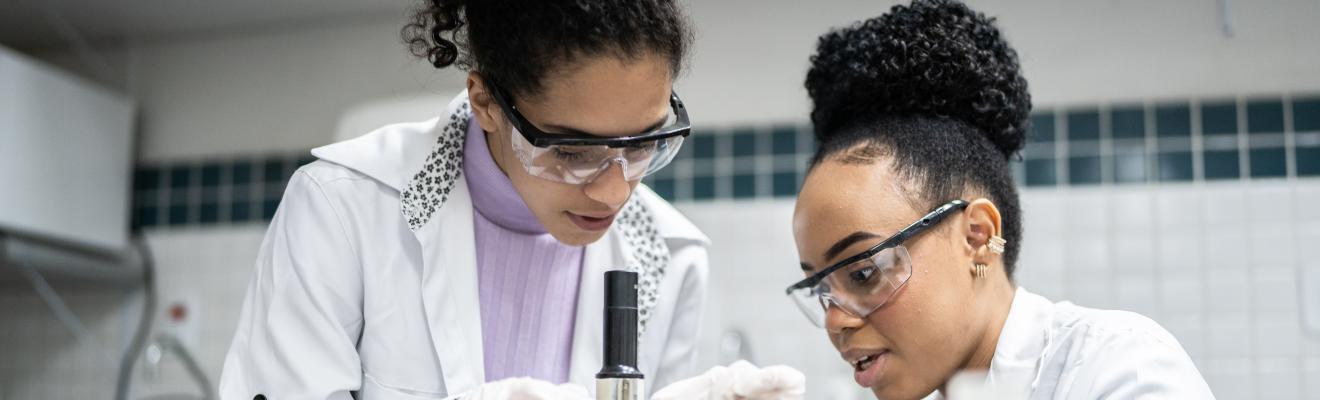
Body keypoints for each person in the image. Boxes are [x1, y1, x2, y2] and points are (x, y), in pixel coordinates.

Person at [218, 1, 710, 398]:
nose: (614, 191)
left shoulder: (671, 255)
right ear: (486, 102)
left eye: (643, 144)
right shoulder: (341, 210)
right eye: (572, 151)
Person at [784, 0, 1215, 399]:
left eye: (862, 273)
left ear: (976, 236)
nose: (835, 322)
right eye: (821, 289)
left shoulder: (1120, 366)